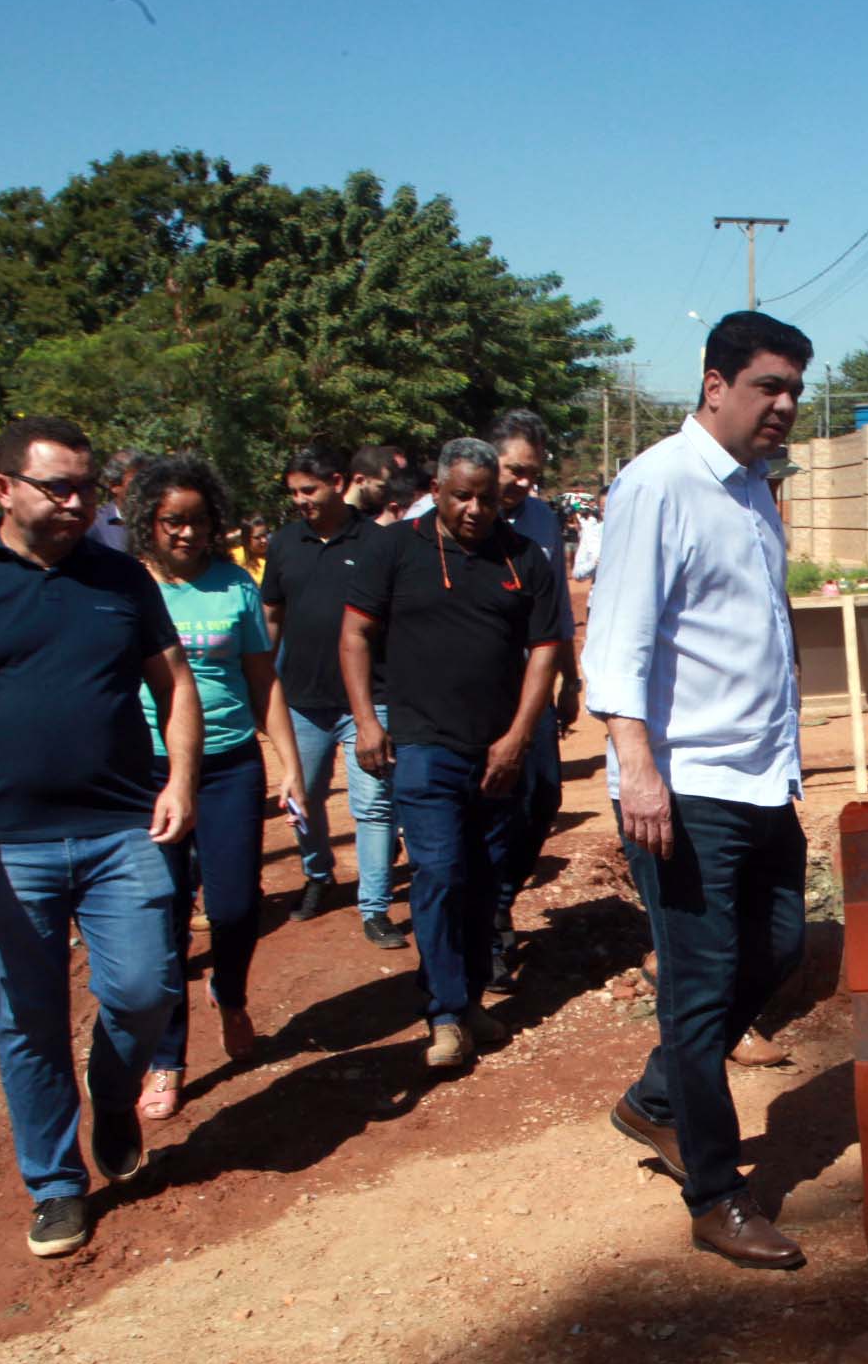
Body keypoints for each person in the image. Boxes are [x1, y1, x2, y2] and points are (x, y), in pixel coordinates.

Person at [0, 415, 200, 1260]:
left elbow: (174, 687)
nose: (75, 502)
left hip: (119, 828)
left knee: (144, 989)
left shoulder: (120, 579)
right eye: (56, 487)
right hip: (3, 843)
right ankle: (56, 1185)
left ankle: (112, 1085)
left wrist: (179, 780)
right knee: (27, 1020)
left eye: (86, 487)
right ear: (4, 489)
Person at [583, 310, 814, 1270]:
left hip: (760, 777)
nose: (786, 406)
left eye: (795, 389)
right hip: (683, 787)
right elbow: (619, 639)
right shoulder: (660, 484)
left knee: (783, 946)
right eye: (769, 386)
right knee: (700, 981)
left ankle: (656, 1099)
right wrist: (637, 767)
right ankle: (716, 1193)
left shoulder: (755, 490)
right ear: (715, 384)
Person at [342, 437, 568, 1070]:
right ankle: (443, 1013)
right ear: (437, 490)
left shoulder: (524, 558)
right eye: (462, 496)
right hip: (423, 746)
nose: (474, 509)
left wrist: (521, 734)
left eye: (486, 498)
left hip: (499, 752)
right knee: (440, 875)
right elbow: (355, 635)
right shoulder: (392, 550)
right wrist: (366, 720)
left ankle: (468, 1001)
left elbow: (545, 647)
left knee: (484, 878)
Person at [124, 455, 303, 1122]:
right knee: (164, 916)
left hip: (229, 765)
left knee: (232, 908)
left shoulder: (236, 587)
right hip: (146, 766)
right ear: (149, 521)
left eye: (199, 521)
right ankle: (167, 1057)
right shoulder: (130, 586)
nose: (187, 534)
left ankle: (230, 992)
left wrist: (290, 764)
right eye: (173, 521)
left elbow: (264, 681)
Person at [263, 443, 407, 947]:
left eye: (310, 490)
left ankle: (375, 907)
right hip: (302, 699)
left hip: (368, 699)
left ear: (338, 482)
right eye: (294, 493)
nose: (301, 500)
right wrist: (261, 682)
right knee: (304, 798)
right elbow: (272, 617)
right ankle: (318, 875)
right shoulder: (283, 544)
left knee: (373, 806)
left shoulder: (377, 543)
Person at [485, 407, 581, 991]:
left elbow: (558, 607)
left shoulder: (542, 519)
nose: (522, 483)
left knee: (542, 798)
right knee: (491, 805)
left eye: (531, 473)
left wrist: (570, 676)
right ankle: (489, 926)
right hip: (475, 690)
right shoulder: (442, 518)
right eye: (513, 470)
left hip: (537, 684)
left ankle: (499, 897)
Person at [87, 449, 142, 553]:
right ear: (114, 486)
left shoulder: (154, 523)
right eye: (137, 482)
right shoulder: (94, 526)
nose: (145, 488)